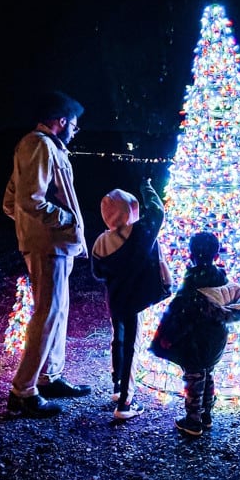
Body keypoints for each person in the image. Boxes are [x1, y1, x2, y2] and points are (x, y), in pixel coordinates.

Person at [3, 90, 91, 418]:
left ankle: (49, 376)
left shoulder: (42, 146)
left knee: (58, 311)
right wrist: (63, 221)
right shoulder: (37, 145)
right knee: (47, 313)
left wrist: (31, 227)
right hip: (49, 245)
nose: (76, 130)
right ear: (62, 121)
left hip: (54, 244)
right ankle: (22, 391)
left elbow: (10, 201)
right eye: (75, 124)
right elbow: (30, 200)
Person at [149, 231, 240, 436]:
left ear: (191, 255)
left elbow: (180, 315)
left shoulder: (192, 286)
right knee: (208, 373)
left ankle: (193, 421)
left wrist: (167, 338)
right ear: (217, 255)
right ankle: (206, 415)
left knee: (194, 378)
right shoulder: (222, 281)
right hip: (216, 341)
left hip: (195, 342)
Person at [91, 177, 168, 420]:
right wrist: (146, 186)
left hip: (115, 299)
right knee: (132, 347)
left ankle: (117, 387)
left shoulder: (101, 242)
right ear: (130, 210)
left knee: (119, 340)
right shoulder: (141, 233)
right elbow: (157, 211)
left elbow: (98, 273)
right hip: (136, 300)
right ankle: (124, 404)